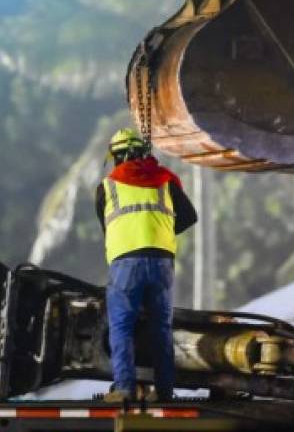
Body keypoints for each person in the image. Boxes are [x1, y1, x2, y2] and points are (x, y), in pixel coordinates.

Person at [95, 128, 197, 403]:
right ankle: (164, 392)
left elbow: (108, 227)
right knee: (161, 328)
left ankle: (125, 389)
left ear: (116, 157)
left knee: (122, 326)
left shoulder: (108, 187)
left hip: (126, 262)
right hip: (162, 261)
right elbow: (189, 216)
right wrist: (159, 229)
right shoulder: (165, 181)